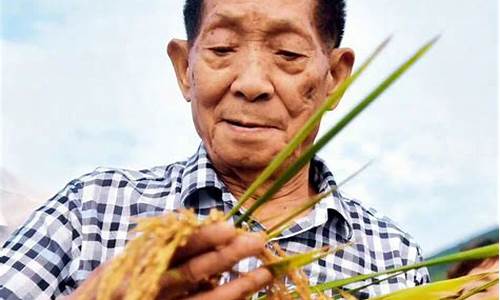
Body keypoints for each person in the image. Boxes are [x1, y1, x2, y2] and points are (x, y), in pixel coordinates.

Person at [0, 0, 430, 299]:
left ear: (335, 78)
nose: (251, 83)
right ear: (184, 69)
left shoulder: (390, 255)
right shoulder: (93, 209)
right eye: (222, 49)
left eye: (288, 53)